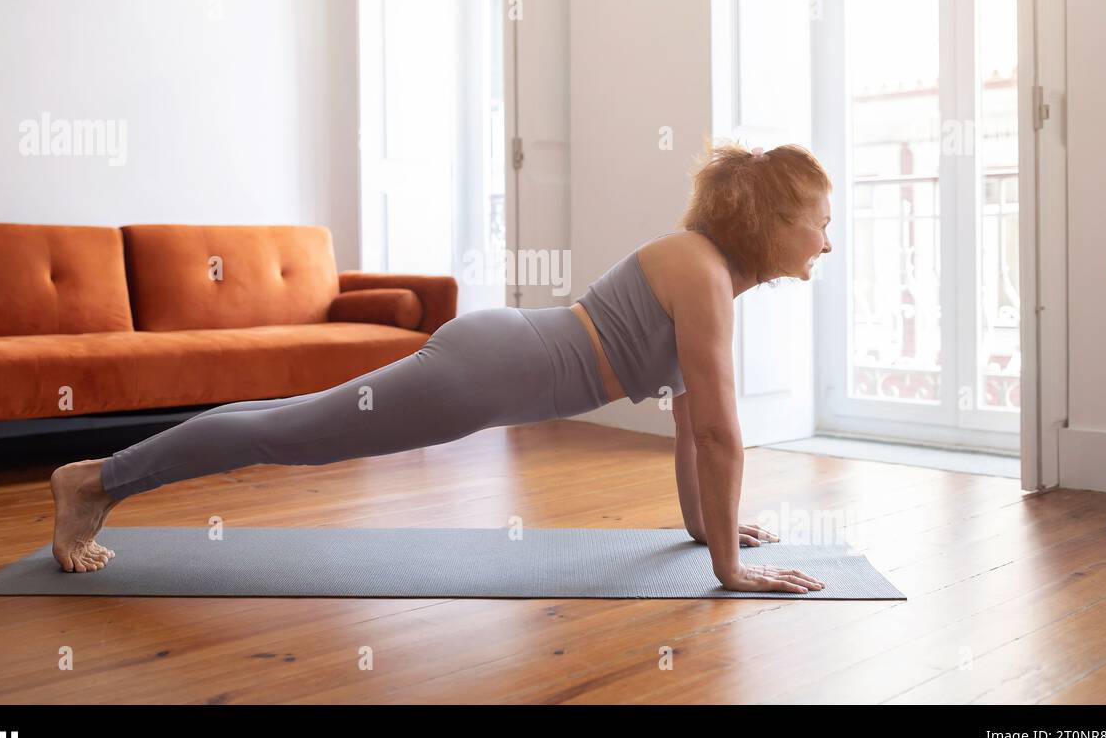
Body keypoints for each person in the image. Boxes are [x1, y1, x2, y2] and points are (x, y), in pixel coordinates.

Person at [49, 140, 833, 593]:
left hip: (497, 358)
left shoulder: (710, 278)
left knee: (288, 426)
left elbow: (694, 428)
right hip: (487, 370)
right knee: (290, 433)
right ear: (776, 221)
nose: (825, 243)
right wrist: (729, 569)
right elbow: (722, 434)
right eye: (821, 224)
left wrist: (708, 532)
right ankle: (97, 479)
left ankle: (103, 477)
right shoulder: (699, 274)